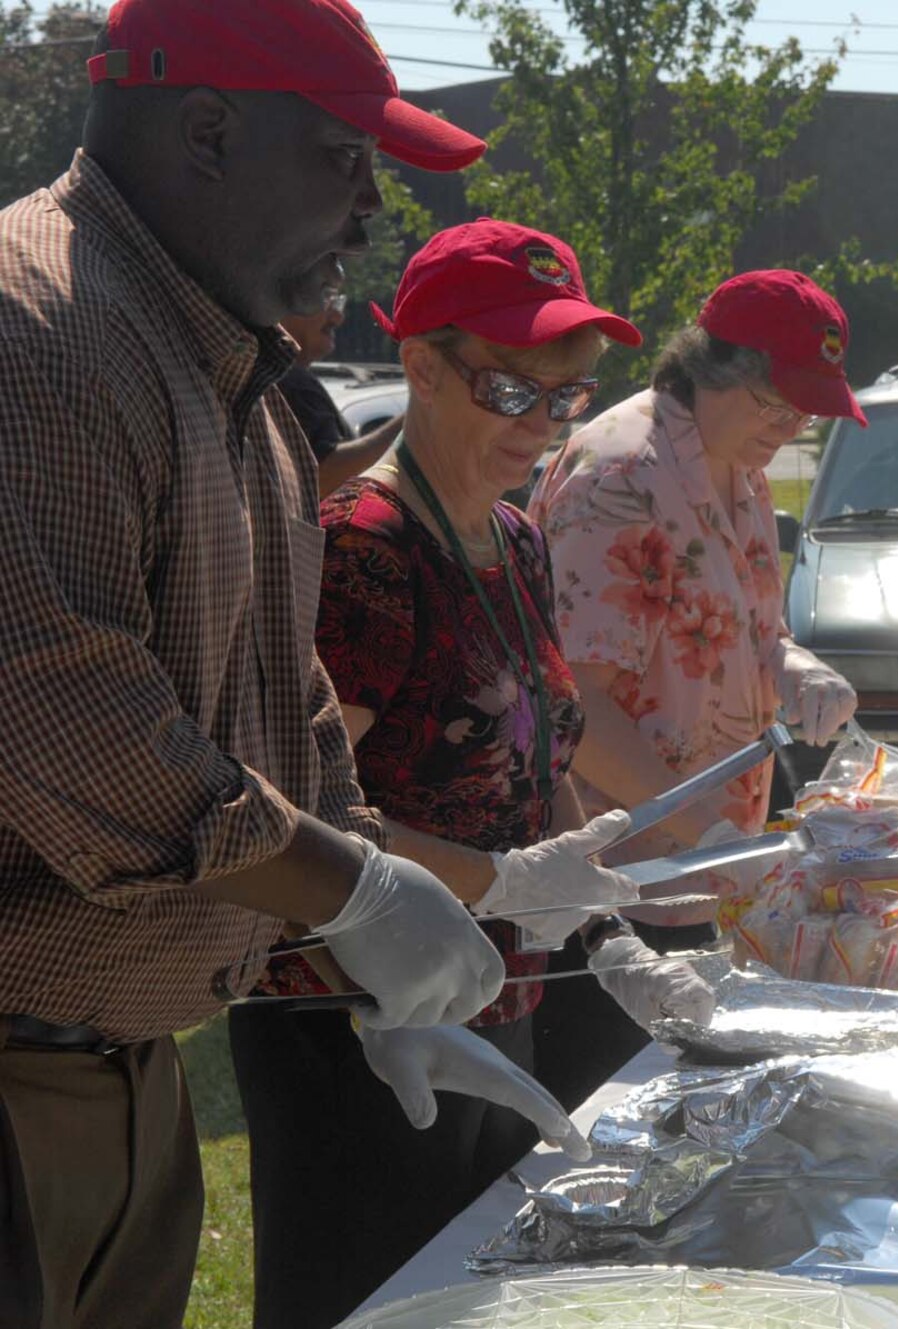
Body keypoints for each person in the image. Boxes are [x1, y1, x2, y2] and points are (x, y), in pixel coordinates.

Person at [0, 3, 519, 1326]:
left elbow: (283, 706)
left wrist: (367, 925)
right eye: (346, 160)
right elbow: (78, 725)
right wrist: (354, 891)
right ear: (211, 132)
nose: (369, 210)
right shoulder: (37, 331)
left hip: (124, 1079)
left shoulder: (231, 370)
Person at [228, 219, 713, 1329]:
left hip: (491, 1001)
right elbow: (294, 810)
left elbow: (540, 756)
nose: (543, 425)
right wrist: (499, 883)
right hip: (359, 1031)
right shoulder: (361, 549)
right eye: (512, 390)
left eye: (569, 396)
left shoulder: (513, 533)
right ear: (421, 366)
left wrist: (602, 926)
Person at [528, 269, 862, 1092]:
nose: (790, 428)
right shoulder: (621, 475)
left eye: (806, 411)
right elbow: (572, 705)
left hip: (704, 879)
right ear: (715, 367)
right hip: (617, 894)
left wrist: (796, 667)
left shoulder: (737, 463)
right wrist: (709, 835)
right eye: (776, 403)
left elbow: (745, 628)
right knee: (613, 1134)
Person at [277, 290, 402, 495]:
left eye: (338, 301)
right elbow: (325, 477)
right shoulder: (292, 382)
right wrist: (416, 417)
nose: (338, 316)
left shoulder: (288, 379)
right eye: (326, 298)